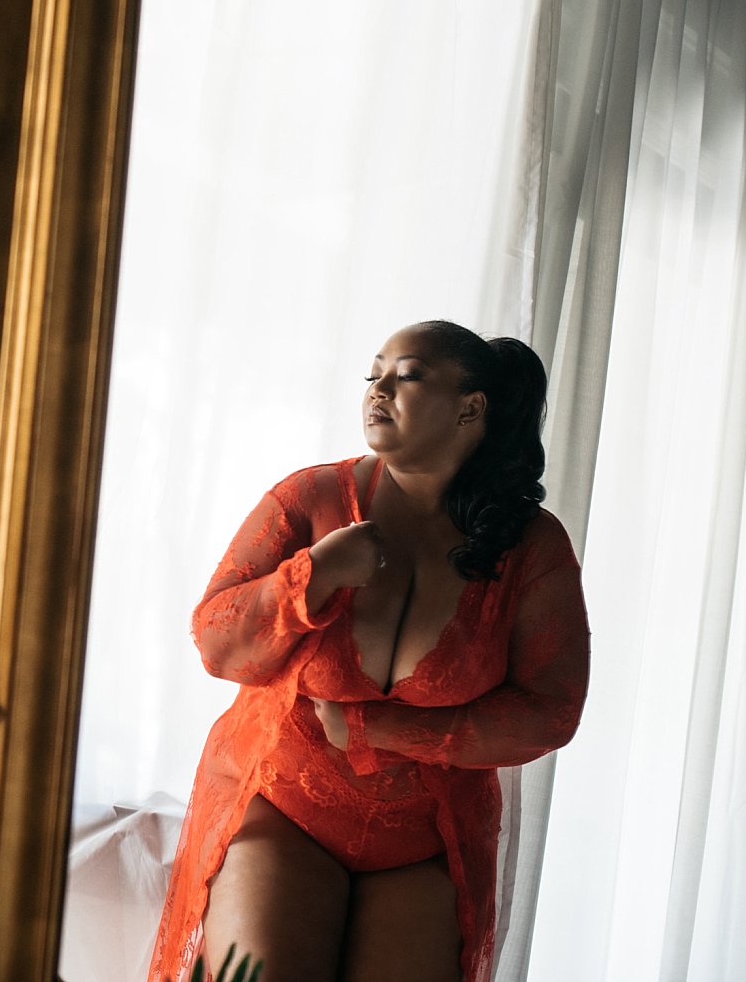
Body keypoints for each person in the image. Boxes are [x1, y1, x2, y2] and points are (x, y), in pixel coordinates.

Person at [147, 321, 591, 982]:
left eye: (406, 374)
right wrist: (311, 575)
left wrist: (385, 726)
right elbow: (216, 641)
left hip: (426, 838)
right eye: (373, 373)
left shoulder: (531, 548)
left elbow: (552, 710)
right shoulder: (310, 500)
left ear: (472, 408)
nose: (378, 389)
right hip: (285, 803)